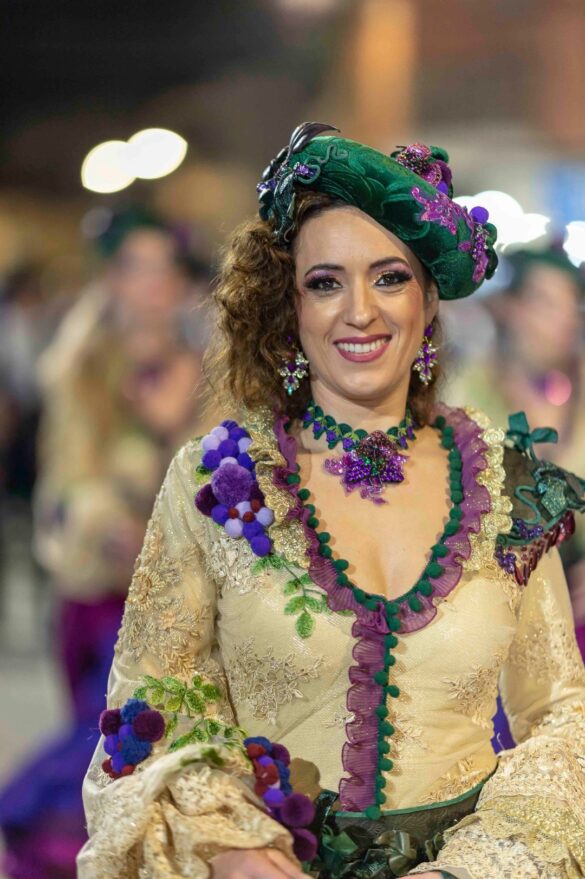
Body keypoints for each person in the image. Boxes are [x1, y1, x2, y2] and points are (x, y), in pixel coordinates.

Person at [79, 125, 585, 879]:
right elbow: (151, 707)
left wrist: (479, 866)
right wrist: (227, 844)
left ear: (427, 300)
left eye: (389, 278)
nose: (360, 311)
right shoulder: (215, 480)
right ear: (287, 306)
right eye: (325, 282)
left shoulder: (507, 484)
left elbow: (563, 719)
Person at [0, 208, 211, 879]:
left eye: (162, 270)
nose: (148, 286)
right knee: (98, 771)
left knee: (165, 780)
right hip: (97, 602)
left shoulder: (213, 377)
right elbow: (65, 484)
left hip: (179, 611)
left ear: (181, 284)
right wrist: (108, 522)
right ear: (112, 279)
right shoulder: (80, 372)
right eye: (133, 268)